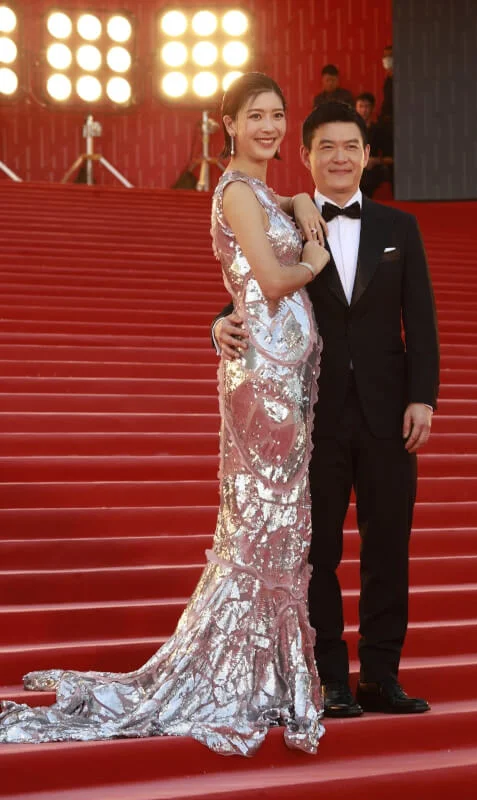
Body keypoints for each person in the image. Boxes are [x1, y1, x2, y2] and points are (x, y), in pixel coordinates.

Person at [0, 73, 331, 756]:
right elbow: (271, 281)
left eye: (277, 114)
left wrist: (298, 198)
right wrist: (313, 261)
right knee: (258, 530)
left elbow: (271, 224)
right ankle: (230, 677)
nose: (269, 127)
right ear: (228, 124)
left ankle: (259, 674)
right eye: (255, 116)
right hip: (261, 378)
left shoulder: (261, 191)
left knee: (278, 531)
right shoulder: (235, 191)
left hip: (285, 375)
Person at [214, 101, 439, 718]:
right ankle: (332, 678)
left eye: (351, 147)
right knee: (319, 554)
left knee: (388, 547)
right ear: (307, 155)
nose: (340, 158)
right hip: (313, 415)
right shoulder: (290, 223)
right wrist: (217, 324)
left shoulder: (400, 228)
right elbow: (249, 286)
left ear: (367, 156)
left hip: (390, 415)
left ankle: (382, 676)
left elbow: (420, 320)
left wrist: (423, 396)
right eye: (327, 148)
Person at [360, 46, 394, 197]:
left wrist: (374, 161)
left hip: (373, 166)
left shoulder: (378, 129)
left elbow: (390, 158)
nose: (364, 110)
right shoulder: (351, 130)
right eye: (361, 106)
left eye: (367, 107)